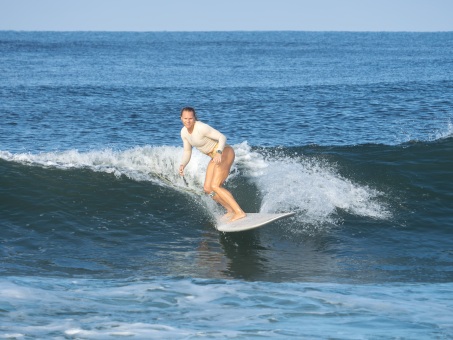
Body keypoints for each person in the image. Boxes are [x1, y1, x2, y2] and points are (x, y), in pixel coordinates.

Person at [178, 107, 246, 222]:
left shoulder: (201, 127)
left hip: (224, 152)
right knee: (208, 189)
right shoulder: (184, 132)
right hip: (214, 157)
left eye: (190, 118)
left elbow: (222, 137)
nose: (188, 121)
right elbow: (187, 151)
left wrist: (219, 152)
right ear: (181, 118)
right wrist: (183, 164)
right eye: (185, 118)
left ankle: (239, 212)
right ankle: (230, 210)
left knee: (215, 186)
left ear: (194, 118)